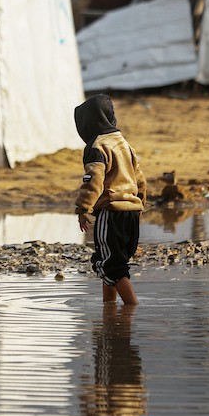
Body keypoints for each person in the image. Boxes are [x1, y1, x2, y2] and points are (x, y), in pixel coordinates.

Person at [75, 94, 146, 306]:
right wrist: (139, 205)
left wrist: (83, 208)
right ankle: (109, 307)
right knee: (113, 261)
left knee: (110, 266)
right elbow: (139, 179)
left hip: (112, 211)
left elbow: (93, 181)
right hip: (131, 211)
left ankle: (131, 308)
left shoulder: (97, 146)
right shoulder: (124, 144)